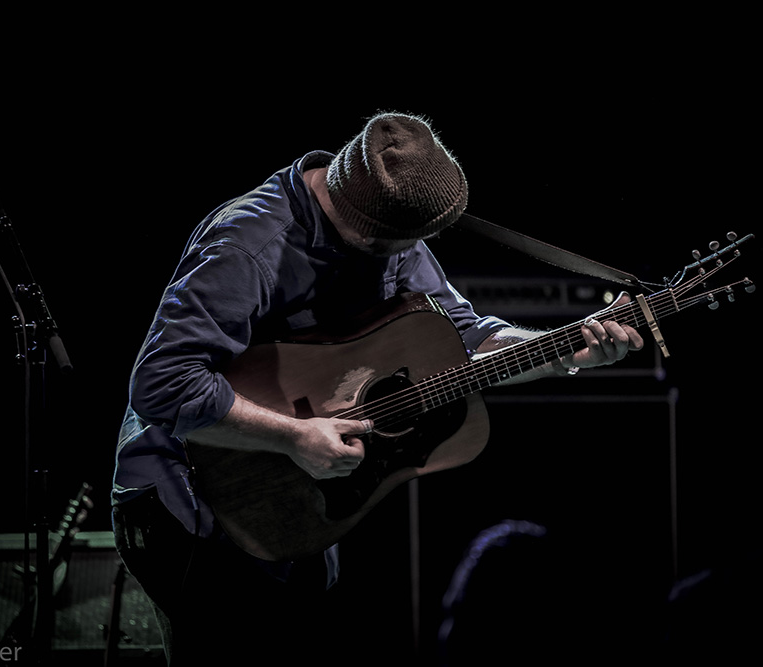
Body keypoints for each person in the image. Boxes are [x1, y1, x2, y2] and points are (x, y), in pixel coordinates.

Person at [111, 112, 644, 666]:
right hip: (189, 503)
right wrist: (294, 436)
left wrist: (560, 353)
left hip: (292, 511)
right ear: (364, 230)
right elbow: (163, 385)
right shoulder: (249, 243)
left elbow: (463, 340)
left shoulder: (388, 226)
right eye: (398, 244)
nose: (411, 253)